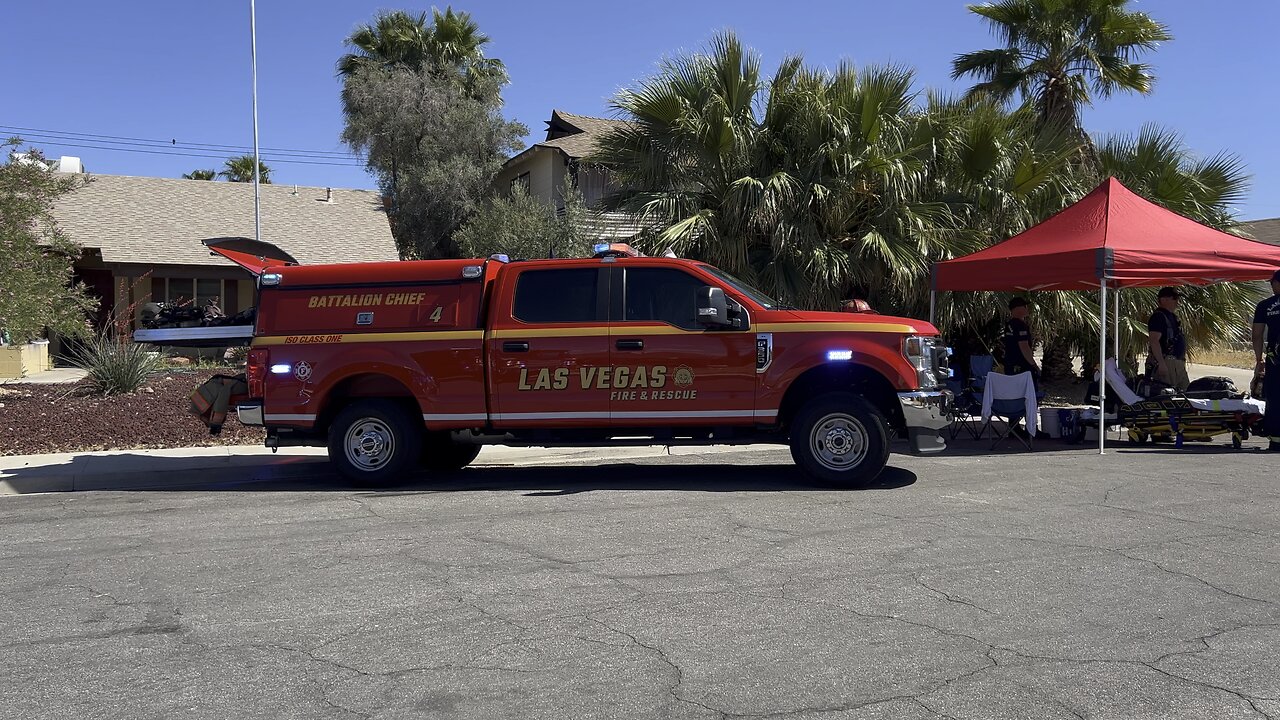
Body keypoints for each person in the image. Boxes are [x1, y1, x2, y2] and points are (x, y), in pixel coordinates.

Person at [1252, 269, 1280, 451]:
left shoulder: (1265, 305)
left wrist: (1259, 359)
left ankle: (1276, 439)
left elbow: (1257, 335)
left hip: (1275, 359)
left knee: (1275, 397)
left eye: (1272, 283)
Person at [1147, 287, 1189, 392]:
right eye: (1174, 298)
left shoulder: (1172, 317)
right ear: (1163, 300)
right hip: (1167, 363)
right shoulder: (1158, 317)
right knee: (1169, 396)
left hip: (1178, 364)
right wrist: (1161, 363)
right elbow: (1154, 341)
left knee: (1187, 395)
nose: (1177, 302)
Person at [1002, 297, 1040, 378]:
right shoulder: (1020, 325)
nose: (1027, 309)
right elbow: (1024, 347)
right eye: (1025, 306)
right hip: (1021, 366)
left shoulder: (1009, 324)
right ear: (1017, 308)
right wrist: (1034, 365)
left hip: (1010, 363)